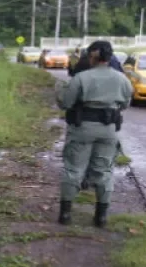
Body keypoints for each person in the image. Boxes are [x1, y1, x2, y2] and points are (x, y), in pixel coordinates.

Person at [55, 41, 133, 227]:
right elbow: (125, 105)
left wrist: (59, 91)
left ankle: (65, 215)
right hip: (108, 130)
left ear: (91, 56)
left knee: (74, 169)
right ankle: (101, 217)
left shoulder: (81, 78)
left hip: (82, 128)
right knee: (104, 170)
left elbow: (66, 102)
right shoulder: (122, 79)